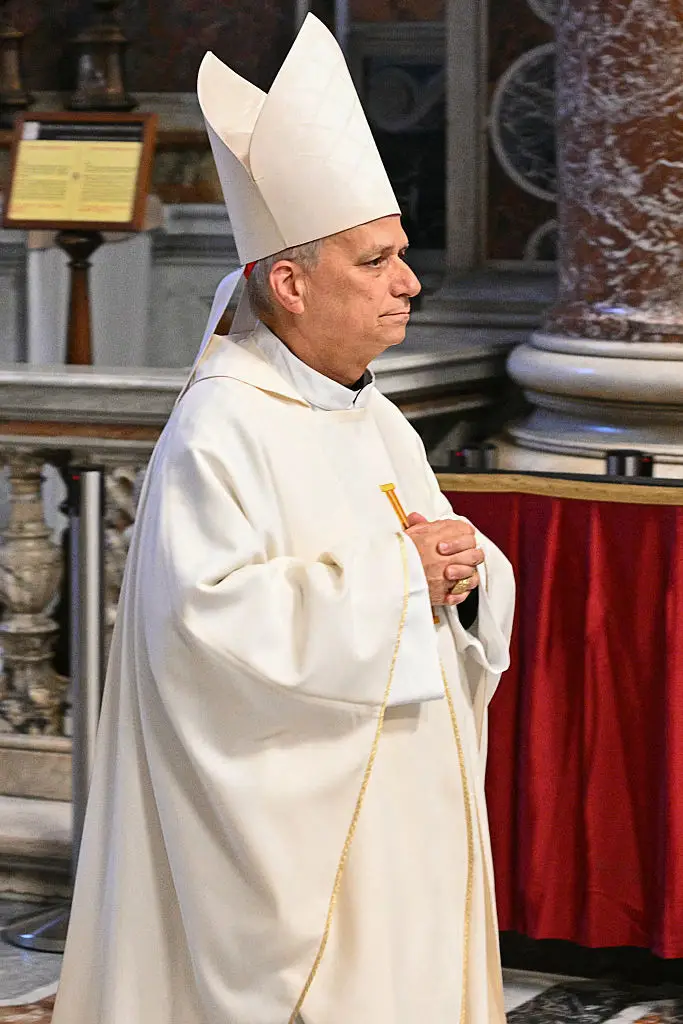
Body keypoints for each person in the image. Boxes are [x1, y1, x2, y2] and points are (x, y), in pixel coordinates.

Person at [51, 15, 515, 1024]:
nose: (410, 280)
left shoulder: (373, 413)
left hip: (402, 825)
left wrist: (467, 568)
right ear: (290, 284)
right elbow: (210, 630)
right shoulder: (221, 428)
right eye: (376, 260)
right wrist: (405, 580)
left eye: (401, 254)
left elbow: (434, 568)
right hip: (297, 857)